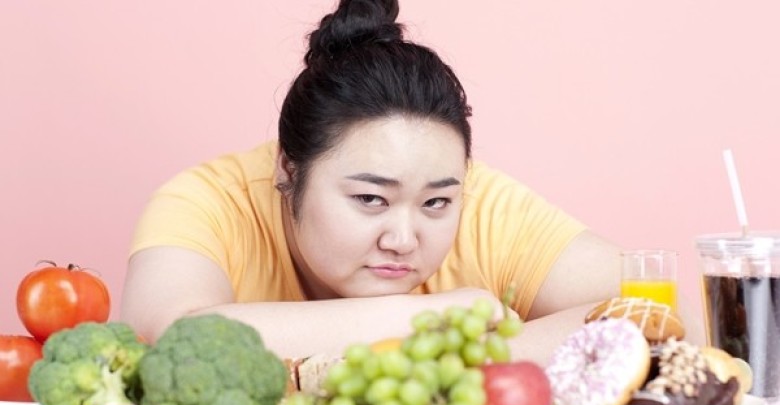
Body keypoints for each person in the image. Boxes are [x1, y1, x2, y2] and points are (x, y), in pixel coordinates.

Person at [120, 0, 621, 365]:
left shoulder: (484, 206)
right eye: (370, 198)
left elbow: (659, 309)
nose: (402, 240)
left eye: (436, 203)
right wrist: (449, 317)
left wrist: (474, 361)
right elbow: (175, 340)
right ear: (288, 170)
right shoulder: (207, 202)